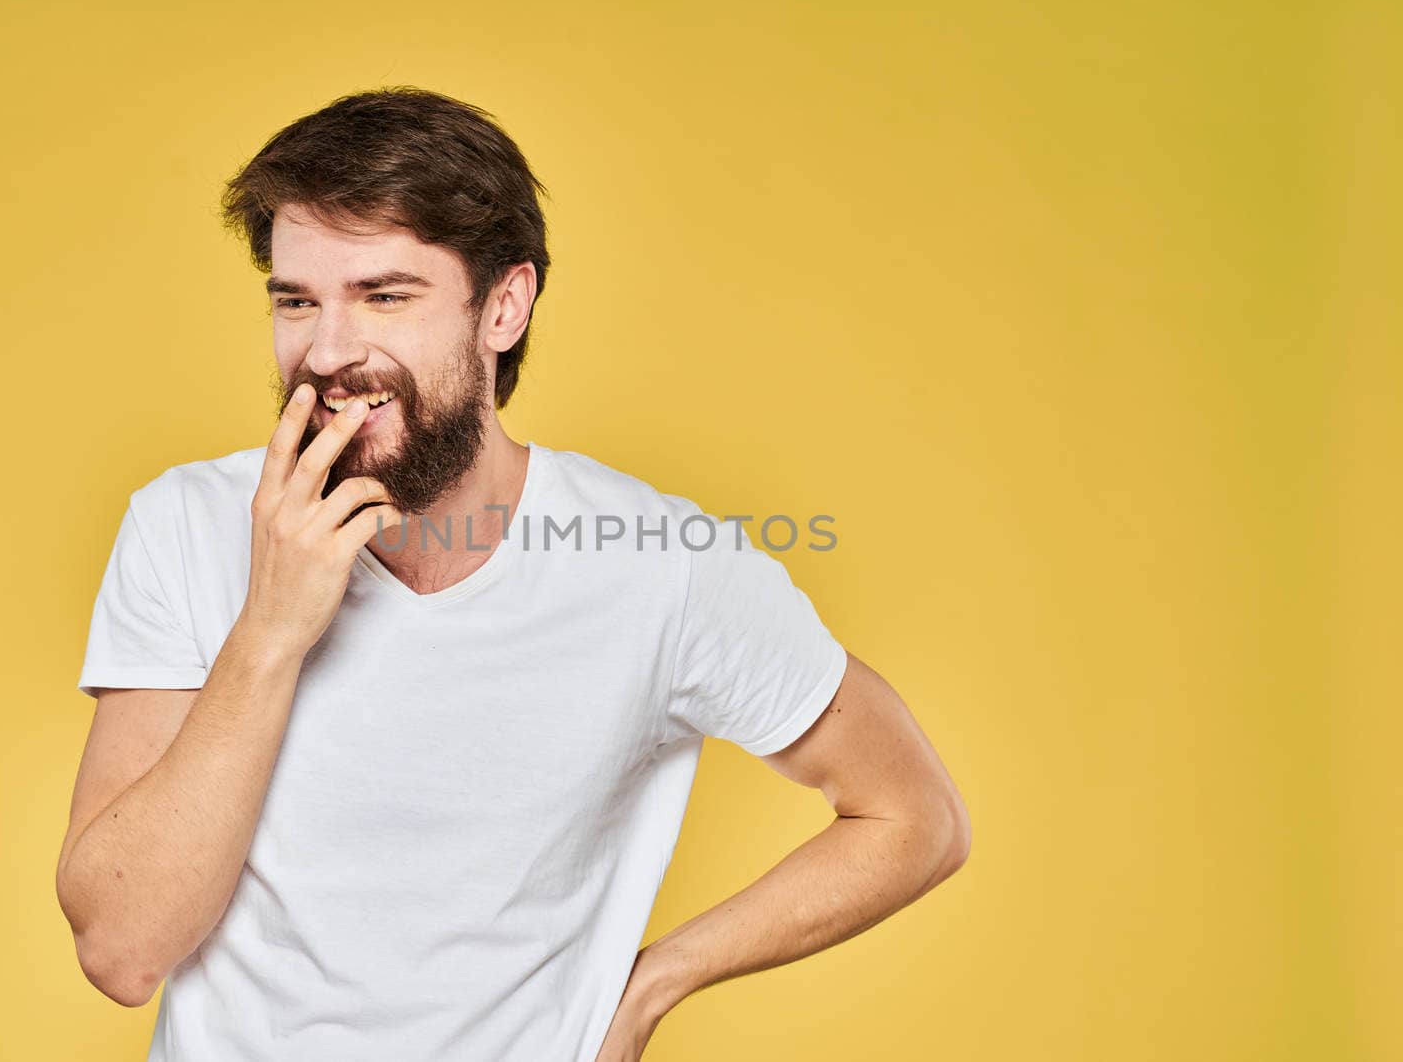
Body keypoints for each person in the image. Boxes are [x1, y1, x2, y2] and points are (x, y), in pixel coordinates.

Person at [56, 85, 970, 1062]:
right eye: (296, 300)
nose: (326, 352)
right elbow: (122, 946)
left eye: (385, 294)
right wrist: (271, 630)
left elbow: (913, 815)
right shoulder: (184, 525)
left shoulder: (659, 565)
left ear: (503, 305)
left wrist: (658, 976)